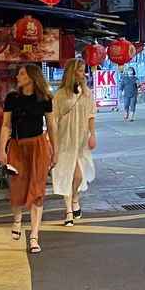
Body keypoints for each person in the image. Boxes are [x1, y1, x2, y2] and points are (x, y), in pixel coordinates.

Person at [0, 64, 58, 255]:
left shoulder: (45, 98)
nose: (18, 76)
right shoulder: (12, 98)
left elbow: (51, 125)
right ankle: (17, 220)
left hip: (38, 145)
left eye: (22, 73)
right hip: (17, 146)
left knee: (37, 189)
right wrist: (2, 150)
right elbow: (6, 125)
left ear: (32, 77)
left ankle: (34, 236)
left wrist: (55, 151)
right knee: (17, 186)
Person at [51, 58, 96, 227]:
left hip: (81, 139)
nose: (83, 74)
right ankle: (68, 210)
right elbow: (53, 119)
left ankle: (75, 197)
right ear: (72, 72)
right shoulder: (60, 94)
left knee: (78, 175)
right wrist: (52, 141)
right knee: (67, 173)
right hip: (65, 139)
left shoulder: (87, 92)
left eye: (83, 70)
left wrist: (93, 135)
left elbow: (91, 115)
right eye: (79, 70)